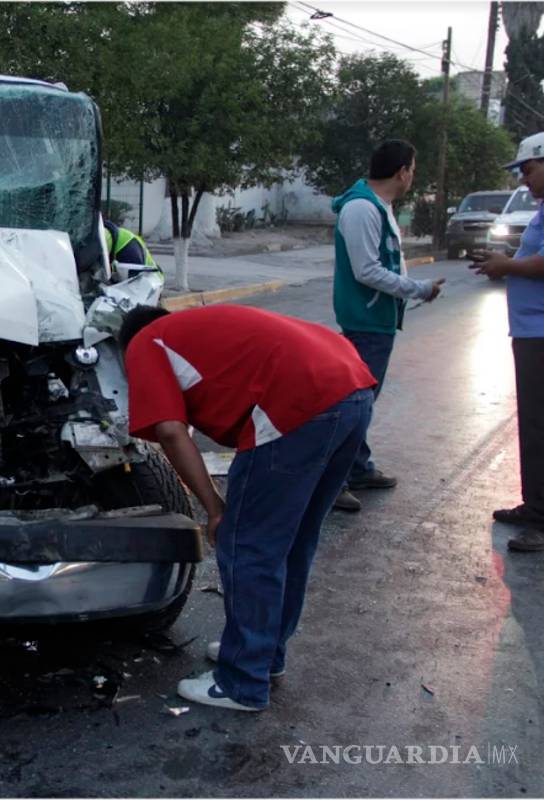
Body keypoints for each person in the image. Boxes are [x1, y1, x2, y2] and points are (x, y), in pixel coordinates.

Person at [120, 303, 376, 711]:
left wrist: (214, 508)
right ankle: (263, 653)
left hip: (297, 401)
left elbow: (169, 431)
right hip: (352, 390)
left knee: (247, 543)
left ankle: (242, 681)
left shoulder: (144, 341)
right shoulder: (194, 331)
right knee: (293, 541)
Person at [331, 140, 445, 512]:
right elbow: (366, 270)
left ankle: (358, 469)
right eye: (413, 169)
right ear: (402, 172)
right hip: (365, 319)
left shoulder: (378, 206)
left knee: (361, 401)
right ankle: (333, 482)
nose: (413, 176)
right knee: (356, 405)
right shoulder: (362, 208)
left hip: (377, 319)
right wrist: (418, 289)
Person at [470, 132, 544, 552]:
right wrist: (504, 263)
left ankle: (541, 517)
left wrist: (508, 265)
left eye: (528, 170)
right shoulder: (540, 211)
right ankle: (534, 506)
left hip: (541, 333)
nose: (523, 180)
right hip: (531, 331)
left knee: (540, 425)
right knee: (533, 425)